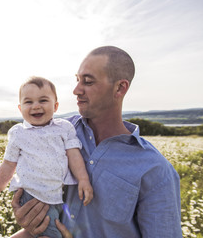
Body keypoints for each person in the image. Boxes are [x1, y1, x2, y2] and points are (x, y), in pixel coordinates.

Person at [11, 46, 182, 237]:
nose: (76, 90)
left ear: (120, 88)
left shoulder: (156, 170)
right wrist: (27, 216)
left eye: (88, 82)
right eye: (77, 80)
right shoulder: (56, 132)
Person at [0, 76, 93, 238]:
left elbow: (73, 154)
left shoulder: (64, 128)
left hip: (56, 194)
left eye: (43, 100)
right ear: (20, 109)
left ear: (55, 106)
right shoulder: (18, 133)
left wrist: (83, 179)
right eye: (28, 102)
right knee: (52, 232)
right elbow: (8, 164)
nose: (36, 106)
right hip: (31, 194)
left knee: (53, 228)